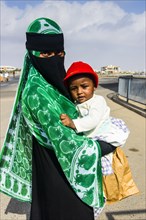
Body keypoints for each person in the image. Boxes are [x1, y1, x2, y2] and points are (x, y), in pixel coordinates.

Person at [0, 17, 118, 220]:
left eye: (60, 53)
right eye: (46, 53)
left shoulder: (55, 84)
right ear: (33, 54)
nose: (54, 59)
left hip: (54, 170)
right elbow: (68, 144)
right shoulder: (37, 93)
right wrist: (108, 145)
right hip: (58, 174)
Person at [60, 61, 130, 159]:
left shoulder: (98, 101)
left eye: (84, 87)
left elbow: (93, 120)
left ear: (94, 87)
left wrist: (73, 123)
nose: (79, 92)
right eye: (73, 88)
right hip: (90, 136)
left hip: (102, 135)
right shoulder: (76, 104)